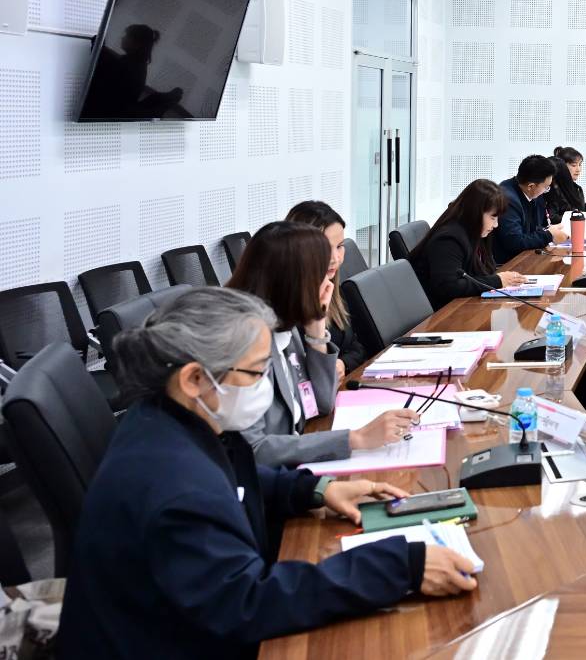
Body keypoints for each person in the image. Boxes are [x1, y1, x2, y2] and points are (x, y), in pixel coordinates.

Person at [57, 288, 476, 658]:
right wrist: (402, 566)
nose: (265, 386)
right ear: (194, 378)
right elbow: (248, 603)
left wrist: (315, 489)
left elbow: (234, 476)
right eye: (258, 373)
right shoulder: (174, 488)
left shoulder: (169, 417)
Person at [227, 222, 416, 467]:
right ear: (290, 281)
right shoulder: (244, 342)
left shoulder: (287, 325)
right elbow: (254, 450)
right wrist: (355, 439)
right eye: (319, 274)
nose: (328, 283)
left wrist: (316, 325)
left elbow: (321, 402)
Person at [409, 179, 529, 309]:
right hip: (443, 312)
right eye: (493, 217)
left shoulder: (475, 231)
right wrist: (497, 281)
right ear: (475, 212)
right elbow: (448, 286)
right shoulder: (448, 239)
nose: (496, 225)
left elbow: (482, 270)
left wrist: (502, 279)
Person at [283, 200, 367, 373]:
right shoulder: (284, 306)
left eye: (339, 246)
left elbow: (357, 347)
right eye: (324, 249)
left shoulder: (332, 289)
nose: (335, 258)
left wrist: (343, 364)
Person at [495, 156, 568, 262]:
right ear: (531, 186)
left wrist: (549, 230)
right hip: (508, 263)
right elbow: (514, 242)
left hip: (526, 256)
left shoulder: (532, 193)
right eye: (546, 187)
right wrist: (549, 235)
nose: (547, 190)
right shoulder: (507, 200)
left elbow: (537, 227)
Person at [543, 145, 586, 224]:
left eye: (580, 165)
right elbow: (551, 218)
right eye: (574, 165)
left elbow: (583, 211)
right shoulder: (551, 189)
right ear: (562, 166)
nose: (578, 169)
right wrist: (575, 217)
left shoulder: (577, 188)